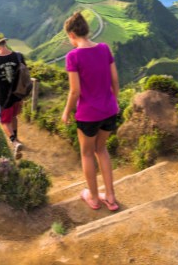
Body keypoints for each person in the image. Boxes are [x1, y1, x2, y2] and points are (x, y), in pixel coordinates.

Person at [61, 12, 120, 211]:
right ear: (86, 30)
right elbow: (115, 81)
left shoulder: (73, 56)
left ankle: (94, 198)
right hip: (109, 110)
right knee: (101, 149)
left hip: (88, 115)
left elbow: (75, 91)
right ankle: (110, 197)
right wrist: (113, 102)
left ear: (71, 34)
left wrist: (66, 112)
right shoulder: (104, 49)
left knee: (87, 153)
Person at [0, 32, 26, 159]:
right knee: (14, 117)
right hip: (18, 95)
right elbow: (24, 75)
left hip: (4, 97)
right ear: (5, 42)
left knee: (4, 121)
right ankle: (17, 138)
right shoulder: (18, 56)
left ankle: (14, 143)